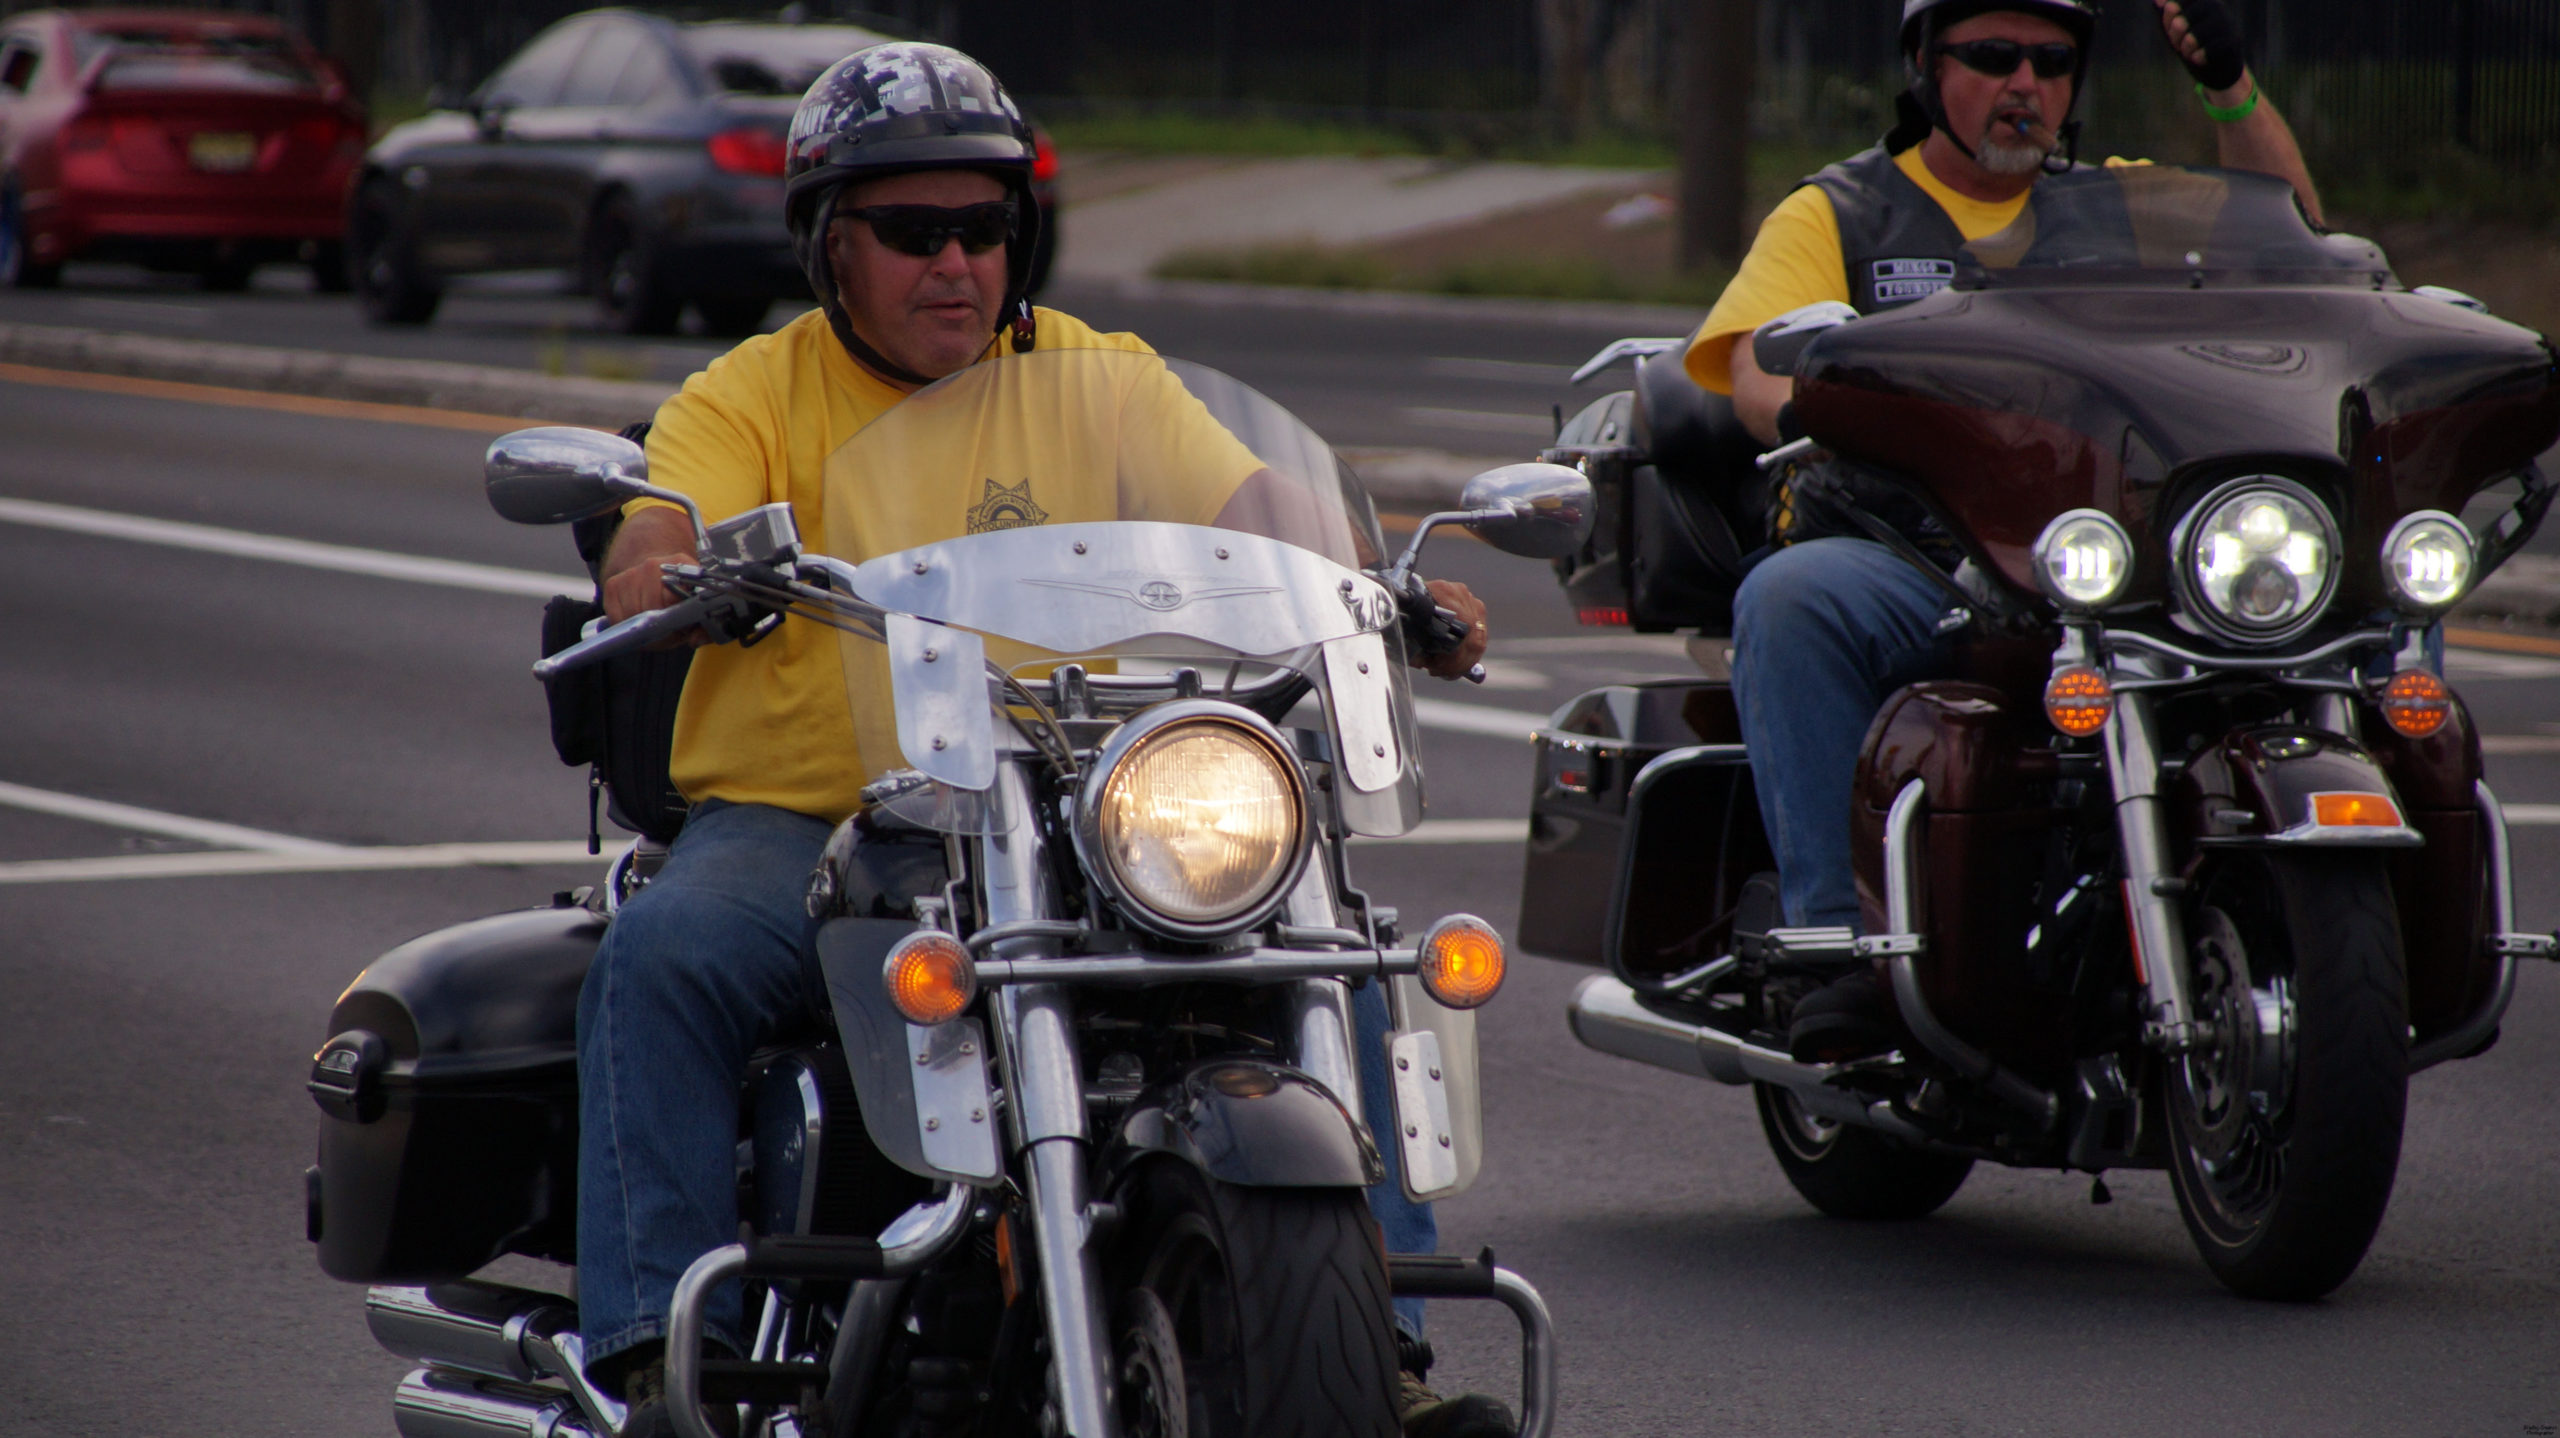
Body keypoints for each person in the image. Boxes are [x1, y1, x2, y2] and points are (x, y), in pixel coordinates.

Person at [572, 41, 1509, 1438]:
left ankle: (1382, 1354)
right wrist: (659, 574)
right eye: (912, 231)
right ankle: (662, 1354)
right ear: (830, 245)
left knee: (1325, 947)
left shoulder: (1099, 376)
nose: (955, 262)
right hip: (819, 820)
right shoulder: (750, 394)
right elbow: (659, 522)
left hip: (1077, 801)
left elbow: (1256, 503)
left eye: (984, 227)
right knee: (669, 954)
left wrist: (1376, 583)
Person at [1680, 0, 2324, 1062]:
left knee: (2356, 594)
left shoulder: (2123, 205)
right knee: (1791, 597)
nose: (2025, 82)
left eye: (2051, 60)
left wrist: (2229, 86)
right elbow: (1755, 367)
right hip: (1918, 559)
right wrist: (1817, 403)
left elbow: (2298, 240)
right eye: (1991, 56)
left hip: (2112, 564)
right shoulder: (1841, 212)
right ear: (1926, 67)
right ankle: (1836, 949)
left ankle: (2347, 905)